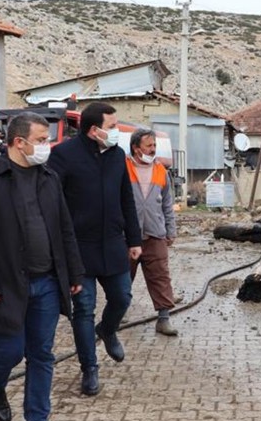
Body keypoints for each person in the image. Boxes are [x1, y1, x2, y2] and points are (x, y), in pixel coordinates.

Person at [0, 112, 84, 421]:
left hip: (46, 282)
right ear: (19, 142)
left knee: (41, 354)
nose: (47, 146)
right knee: (9, 351)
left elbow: (64, 230)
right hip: (6, 285)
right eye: (42, 140)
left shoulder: (48, 178)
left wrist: (73, 275)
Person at [48, 102, 142, 397]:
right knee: (83, 310)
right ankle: (89, 368)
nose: (117, 131)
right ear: (93, 130)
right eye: (112, 126)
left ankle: (109, 329)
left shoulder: (116, 155)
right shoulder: (63, 156)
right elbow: (53, 203)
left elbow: (126, 198)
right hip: (79, 248)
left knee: (122, 296)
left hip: (113, 244)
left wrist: (134, 239)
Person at [126, 128, 179, 337]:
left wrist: (170, 231)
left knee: (160, 276)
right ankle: (117, 313)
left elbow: (168, 204)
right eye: (149, 146)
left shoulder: (161, 171)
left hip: (155, 233)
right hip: (127, 235)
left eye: (154, 146)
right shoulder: (122, 169)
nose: (153, 149)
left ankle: (163, 319)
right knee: (122, 276)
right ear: (136, 148)